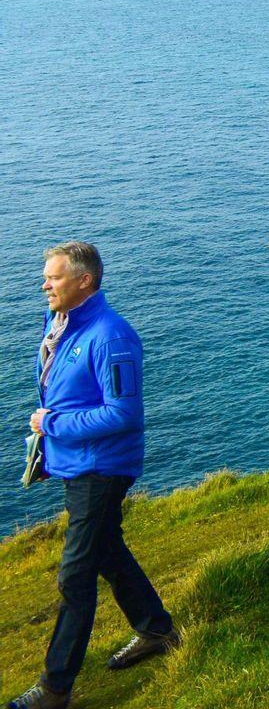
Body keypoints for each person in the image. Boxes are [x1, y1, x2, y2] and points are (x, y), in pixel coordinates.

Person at [8, 243, 179, 709]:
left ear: (84, 281)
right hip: (75, 462)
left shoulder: (111, 336)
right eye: (46, 276)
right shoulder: (60, 323)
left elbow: (123, 413)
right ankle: (156, 629)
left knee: (75, 575)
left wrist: (52, 425)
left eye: (54, 277)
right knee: (106, 550)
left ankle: (55, 687)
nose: (44, 284)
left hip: (102, 468)